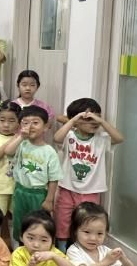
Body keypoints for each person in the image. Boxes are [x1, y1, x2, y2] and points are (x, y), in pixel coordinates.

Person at [53, 98, 124, 252]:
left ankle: (83, 251)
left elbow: (119, 138)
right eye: (88, 119)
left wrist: (101, 121)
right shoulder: (69, 136)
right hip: (67, 188)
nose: (94, 122)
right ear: (76, 121)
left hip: (91, 191)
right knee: (63, 220)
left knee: (88, 222)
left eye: (96, 117)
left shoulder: (101, 139)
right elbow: (56, 138)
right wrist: (74, 120)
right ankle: (62, 249)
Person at [4, 106, 63, 244]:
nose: (30, 126)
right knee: (19, 222)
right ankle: (20, 248)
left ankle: (38, 248)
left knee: (38, 224)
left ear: (46, 127)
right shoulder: (22, 144)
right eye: (25, 123)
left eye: (35, 123)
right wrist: (20, 136)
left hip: (39, 194)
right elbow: (8, 151)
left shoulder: (49, 151)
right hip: (20, 191)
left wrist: (49, 200)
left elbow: (54, 178)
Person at [0, 101, 21, 245]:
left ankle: (15, 247)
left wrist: (18, 138)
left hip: (17, 187)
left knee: (15, 218)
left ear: (19, 123)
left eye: (12, 121)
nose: (6, 125)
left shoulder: (22, 139)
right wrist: (11, 142)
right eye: (2, 120)